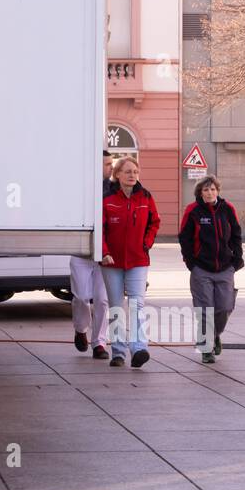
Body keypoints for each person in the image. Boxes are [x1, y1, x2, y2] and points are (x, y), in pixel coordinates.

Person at [100, 157, 160, 369]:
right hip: (111, 263)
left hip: (138, 260)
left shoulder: (145, 197)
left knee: (137, 305)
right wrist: (104, 252)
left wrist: (146, 243)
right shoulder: (107, 199)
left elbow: (154, 222)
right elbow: (100, 231)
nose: (133, 175)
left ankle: (139, 349)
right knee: (116, 307)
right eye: (127, 171)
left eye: (135, 171)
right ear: (117, 175)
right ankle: (118, 352)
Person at [177, 175, 243, 364]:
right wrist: (191, 262)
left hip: (225, 267)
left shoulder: (228, 209)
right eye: (206, 190)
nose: (210, 192)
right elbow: (184, 238)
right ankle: (206, 348)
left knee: (224, 308)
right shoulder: (193, 211)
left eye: (213, 189)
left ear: (218, 191)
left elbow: (236, 235)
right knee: (205, 309)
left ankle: (214, 335)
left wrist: (236, 259)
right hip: (202, 269)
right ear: (200, 192)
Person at [70, 149, 113, 359]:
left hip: (106, 254)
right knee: (81, 297)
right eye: (107, 165)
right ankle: (80, 329)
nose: (111, 168)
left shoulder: (115, 189)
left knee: (103, 300)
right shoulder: (80, 188)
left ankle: (99, 343)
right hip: (81, 251)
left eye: (111, 164)